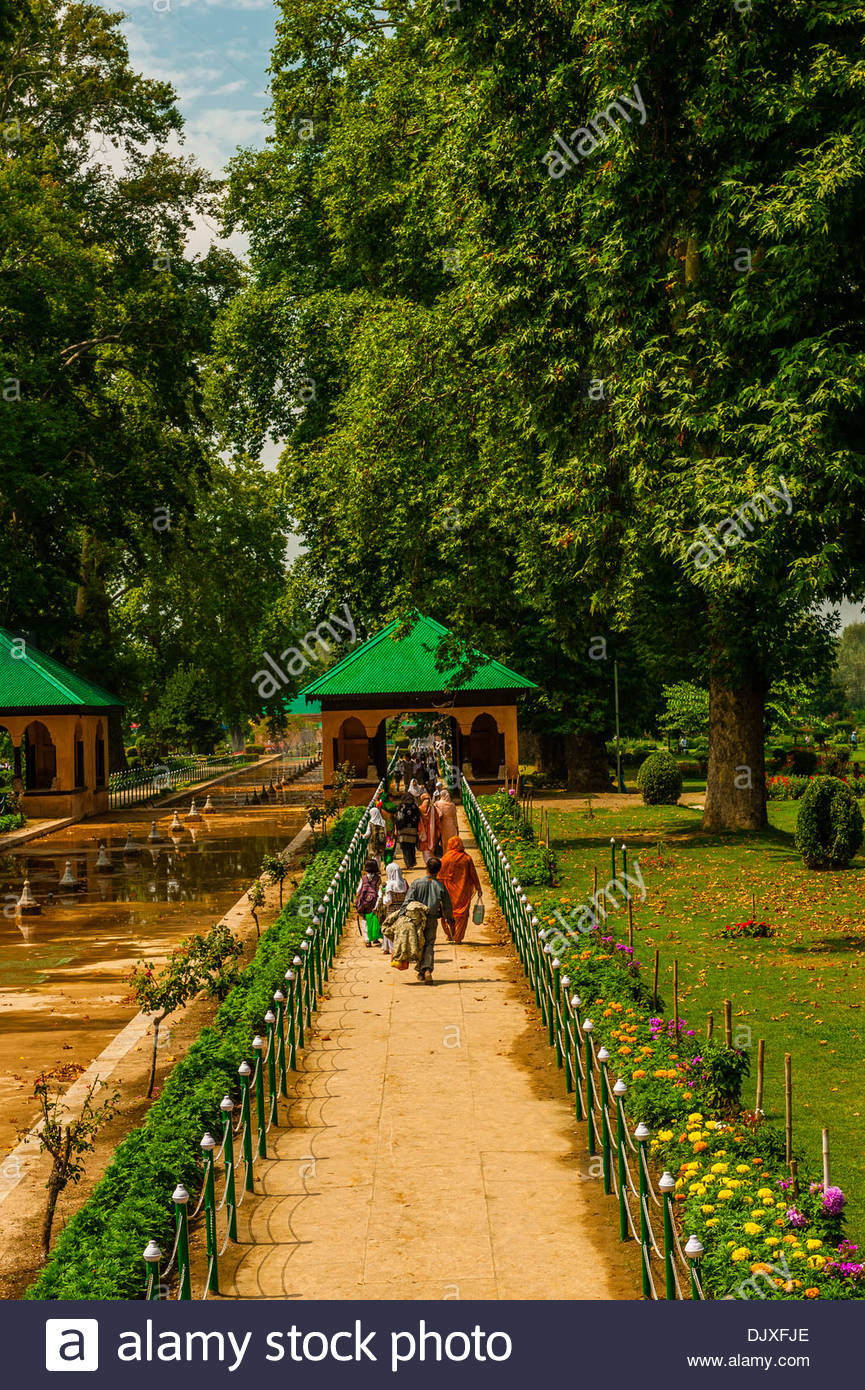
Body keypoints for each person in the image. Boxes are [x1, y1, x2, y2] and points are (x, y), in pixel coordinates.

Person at [403, 855, 455, 983]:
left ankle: (423, 970)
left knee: (419, 942)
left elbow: (408, 901)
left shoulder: (416, 883)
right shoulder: (440, 886)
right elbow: (447, 905)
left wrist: (401, 916)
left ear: (426, 868)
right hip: (432, 918)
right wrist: (449, 919)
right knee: (429, 943)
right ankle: (426, 970)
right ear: (439, 870)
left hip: (417, 919)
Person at [439, 835, 483, 944]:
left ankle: (450, 935)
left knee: (446, 914)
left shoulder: (445, 858)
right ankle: (458, 937)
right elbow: (473, 874)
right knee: (462, 915)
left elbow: (439, 875)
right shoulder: (466, 858)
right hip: (462, 891)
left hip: (447, 892)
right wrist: (478, 887)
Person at [379, 860, 408, 955]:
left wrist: (383, 899)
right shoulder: (404, 882)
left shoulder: (389, 884)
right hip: (403, 908)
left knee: (389, 928)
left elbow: (388, 901)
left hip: (391, 909)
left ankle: (391, 948)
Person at [355, 859, 382, 946]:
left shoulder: (363, 878)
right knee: (375, 919)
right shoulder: (378, 878)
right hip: (374, 901)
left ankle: (367, 940)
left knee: (365, 920)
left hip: (364, 902)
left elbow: (358, 890)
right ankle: (375, 938)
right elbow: (379, 891)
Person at [395, 790, 421, 868]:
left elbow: (399, 818)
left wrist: (397, 827)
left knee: (405, 847)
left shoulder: (401, 806)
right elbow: (418, 818)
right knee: (412, 847)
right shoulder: (415, 806)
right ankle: (412, 862)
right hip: (413, 830)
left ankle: (408, 863)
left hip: (403, 830)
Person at [418, 790, 438, 865]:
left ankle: (428, 863)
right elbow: (437, 821)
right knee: (431, 848)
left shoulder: (419, 809)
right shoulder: (433, 809)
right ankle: (431, 863)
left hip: (422, 833)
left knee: (425, 850)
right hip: (432, 833)